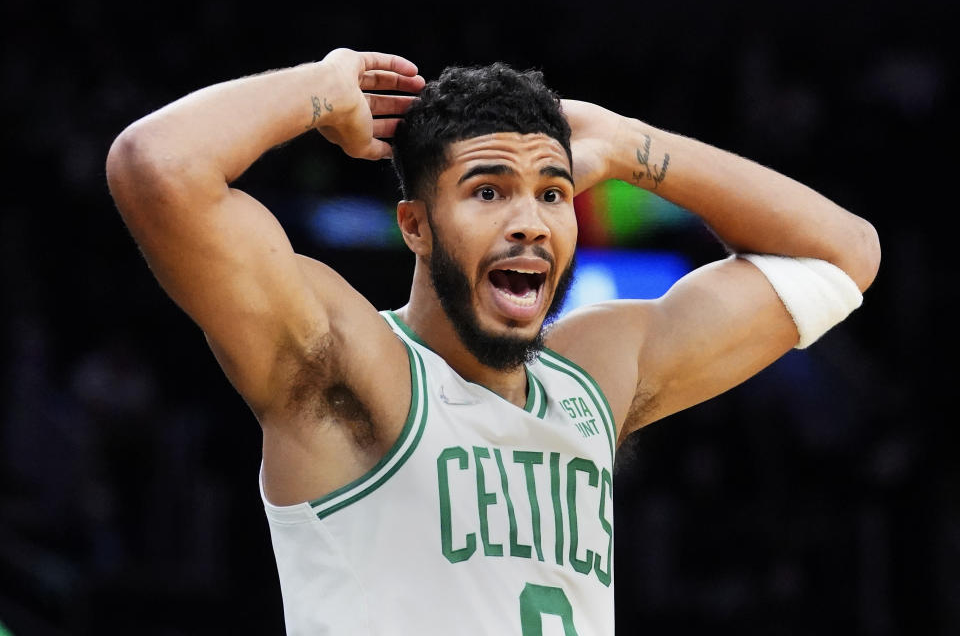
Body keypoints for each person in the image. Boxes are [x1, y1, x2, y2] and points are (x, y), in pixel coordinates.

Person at [105, 48, 880, 635]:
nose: (530, 221)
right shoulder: (349, 368)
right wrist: (320, 90)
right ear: (415, 226)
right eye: (488, 191)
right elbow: (158, 167)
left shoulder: (596, 379)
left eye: (552, 192)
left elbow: (845, 253)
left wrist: (626, 143)